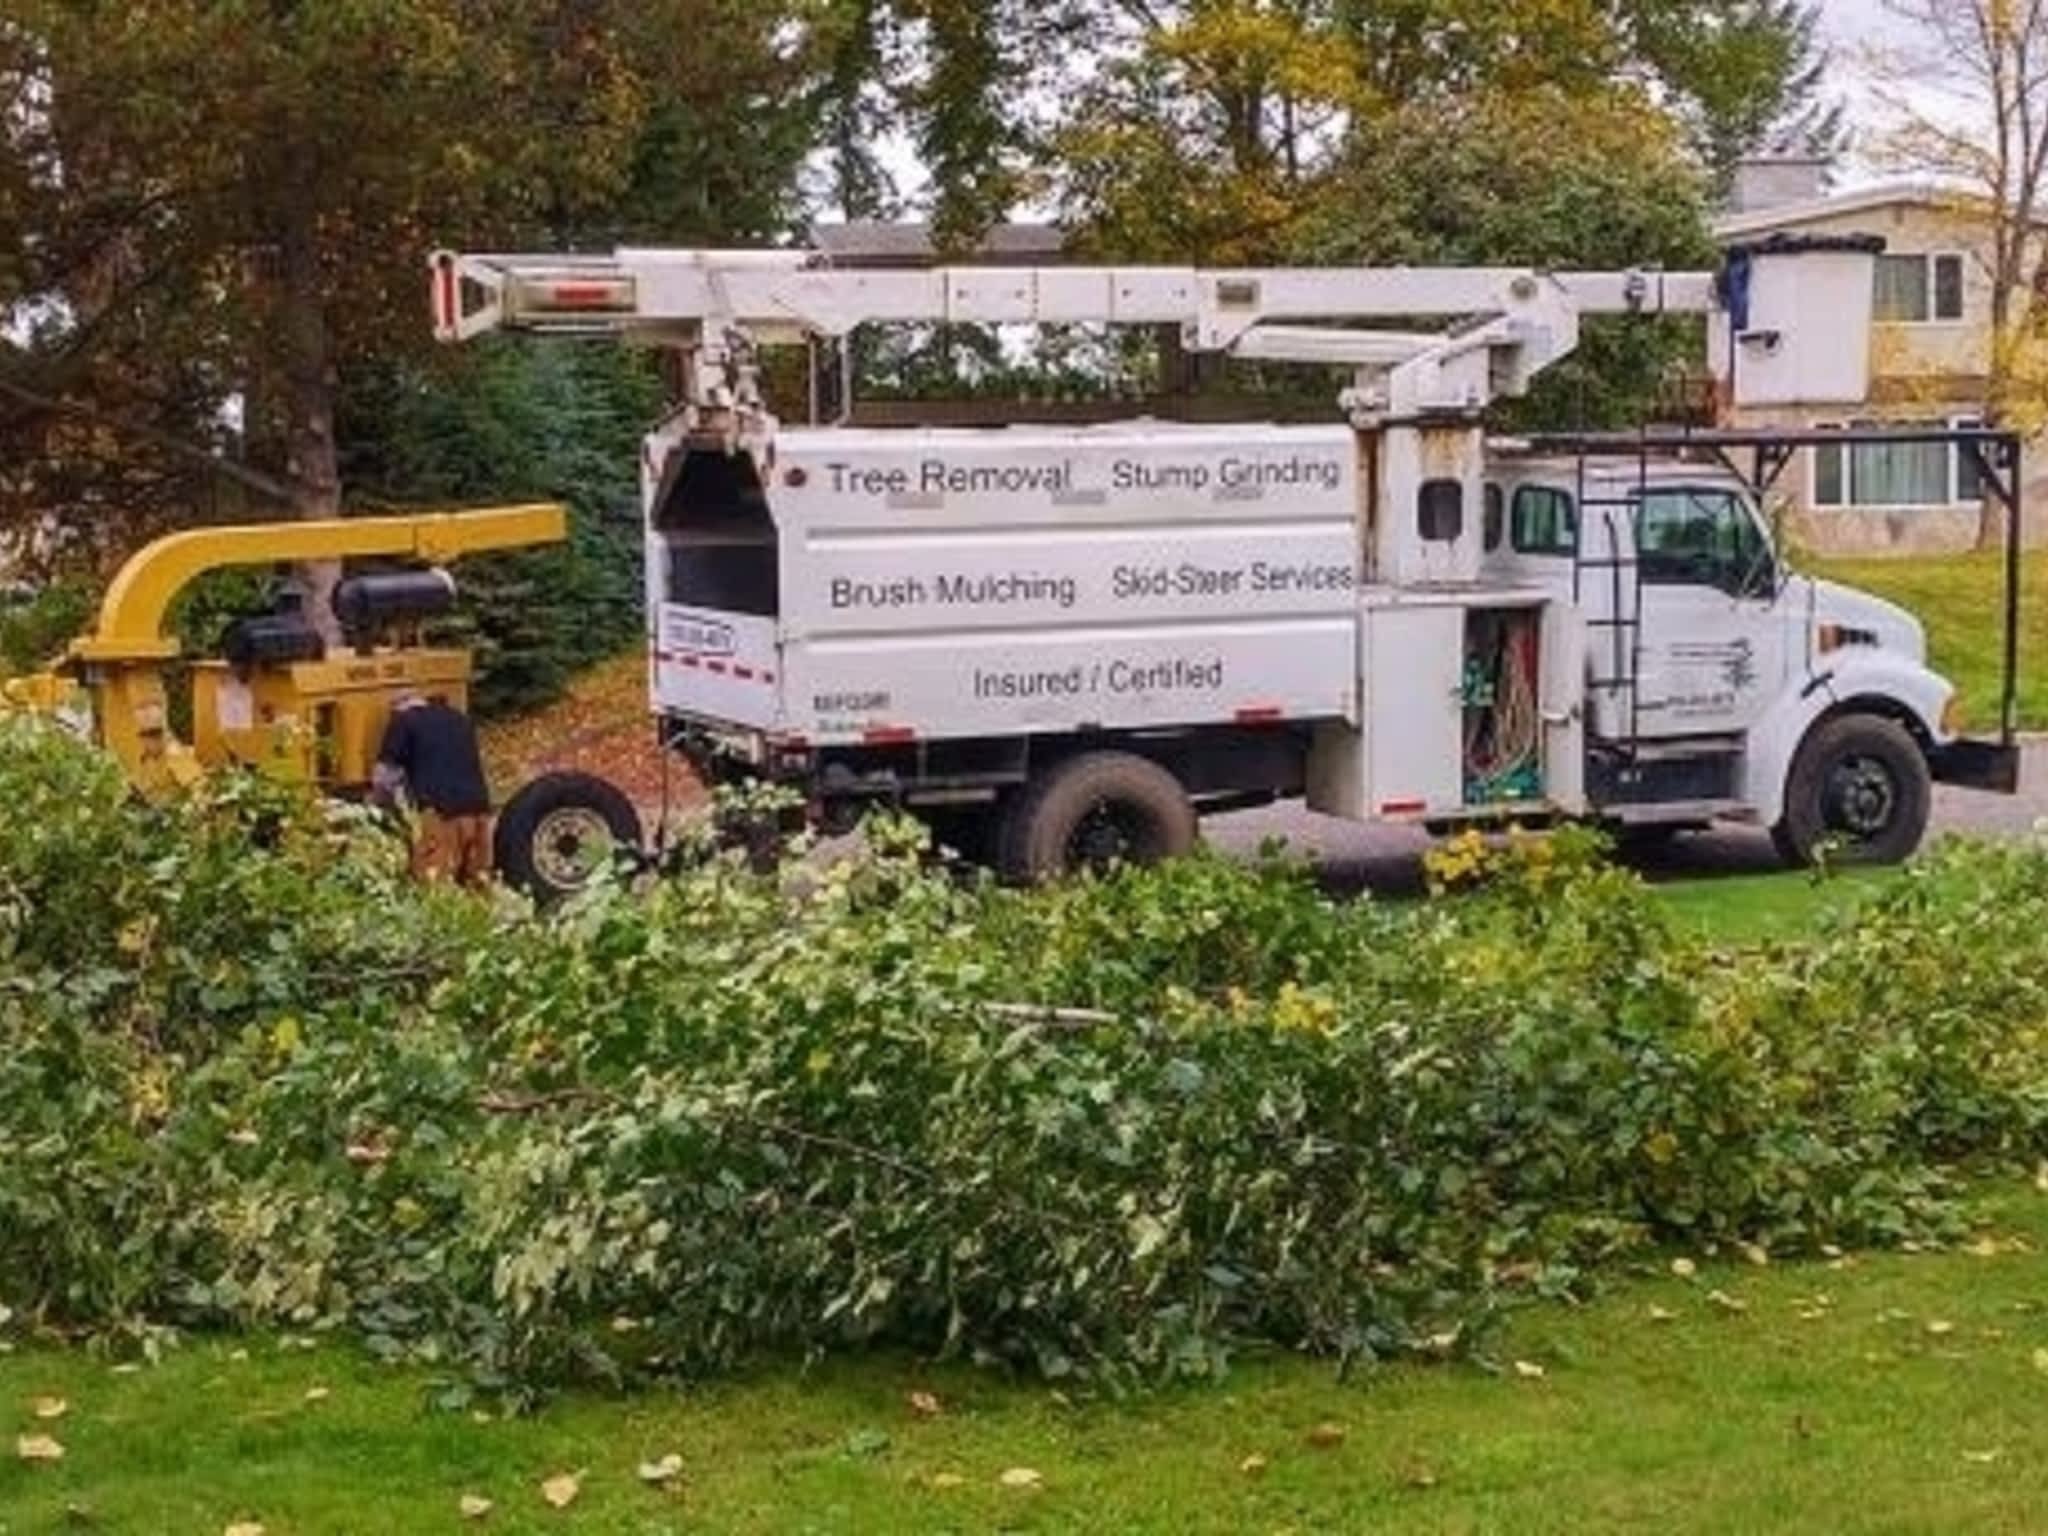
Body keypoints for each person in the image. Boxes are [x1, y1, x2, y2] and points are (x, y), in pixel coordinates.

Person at [374, 691, 493, 885]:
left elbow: (385, 778)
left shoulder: (402, 720)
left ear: (396, 709)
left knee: (434, 885)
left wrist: (380, 806)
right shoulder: (459, 718)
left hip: (440, 813)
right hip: (479, 809)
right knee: (478, 882)